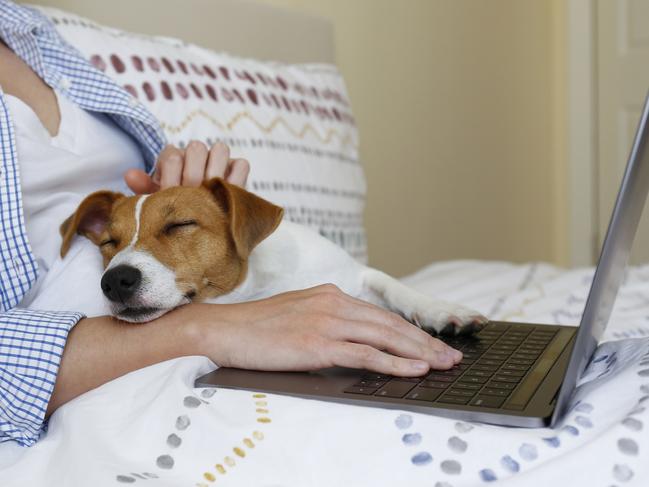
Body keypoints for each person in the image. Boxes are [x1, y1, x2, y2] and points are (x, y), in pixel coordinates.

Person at [0, 0, 461, 447]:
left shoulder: (31, 32)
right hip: (102, 372)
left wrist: (180, 182)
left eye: (175, 227)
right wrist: (209, 328)